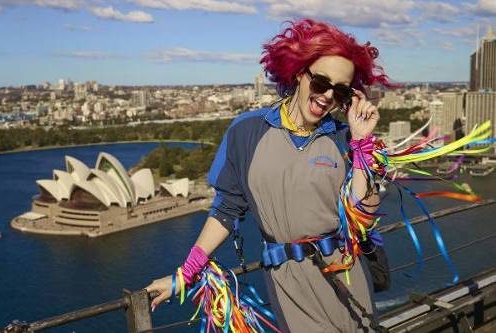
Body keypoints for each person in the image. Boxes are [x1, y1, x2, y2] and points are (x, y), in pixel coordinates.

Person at [146, 18, 390, 332]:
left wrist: (362, 143)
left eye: (340, 91)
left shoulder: (344, 138)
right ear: (300, 73)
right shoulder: (247, 132)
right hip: (289, 283)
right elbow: (226, 210)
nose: (328, 96)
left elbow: (363, 218)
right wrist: (185, 274)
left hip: (346, 271)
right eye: (320, 83)